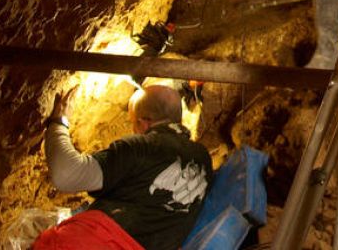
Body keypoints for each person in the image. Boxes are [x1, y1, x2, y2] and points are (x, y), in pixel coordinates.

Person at [33, 85, 213, 250]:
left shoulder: (142, 146)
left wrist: (59, 123)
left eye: (133, 124)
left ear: (144, 124)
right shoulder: (203, 158)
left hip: (98, 241)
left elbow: (66, 175)